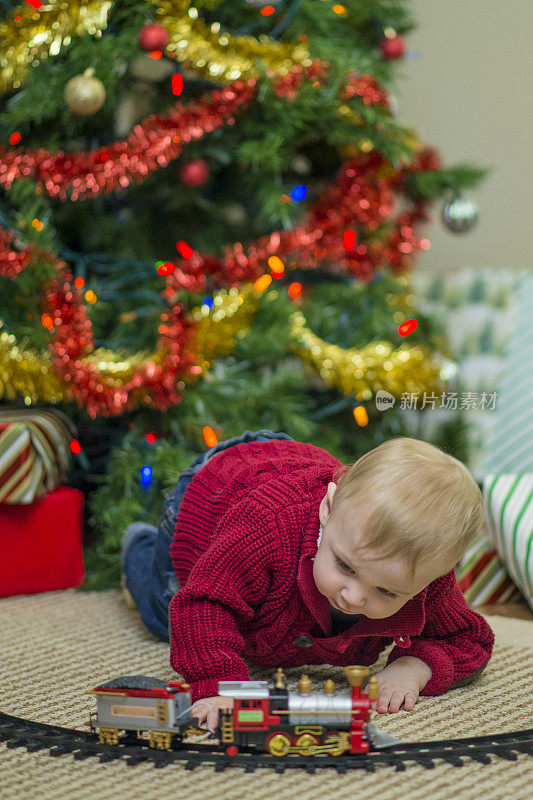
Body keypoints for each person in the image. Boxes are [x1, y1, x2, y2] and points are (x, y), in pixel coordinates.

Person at [121, 431, 494, 733]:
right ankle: (139, 546)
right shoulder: (266, 526)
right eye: (345, 567)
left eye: (385, 591)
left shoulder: (423, 575)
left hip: (297, 477)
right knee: (167, 614)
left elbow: (469, 639)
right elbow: (204, 604)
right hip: (214, 493)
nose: (353, 596)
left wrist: (414, 666)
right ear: (328, 511)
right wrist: (222, 689)